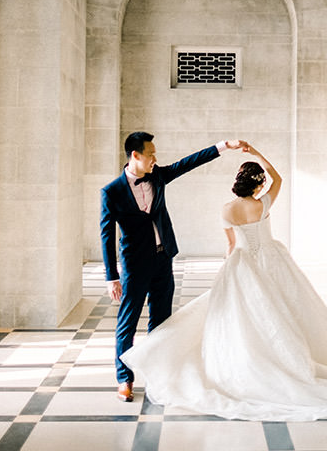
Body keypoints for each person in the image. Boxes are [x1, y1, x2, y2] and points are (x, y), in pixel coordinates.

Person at [120, 144, 327, 421]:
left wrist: (227, 271)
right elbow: (278, 178)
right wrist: (257, 155)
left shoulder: (227, 209)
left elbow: (230, 246)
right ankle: (289, 358)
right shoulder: (263, 203)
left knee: (246, 316)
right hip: (272, 259)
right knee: (282, 310)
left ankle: (253, 361)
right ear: (257, 183)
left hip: (242, 264)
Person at [100, 131, 244, 401]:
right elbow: (107, 236)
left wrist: (224, 146)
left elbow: (189, 162)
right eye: (151, 153)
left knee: (162, 321)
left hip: (163, 258)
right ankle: (124, 379)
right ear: (136, 155)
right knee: (127, 323)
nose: (155, 158)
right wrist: (112, 276)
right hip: (134, 265)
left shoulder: (157, 176)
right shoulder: (112, 192)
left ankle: (159, 375)